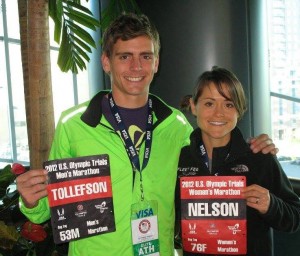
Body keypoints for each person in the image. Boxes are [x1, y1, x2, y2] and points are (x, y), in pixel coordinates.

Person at [16, 14, 278, 256]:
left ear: (156, 62)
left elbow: (215, 160)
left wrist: (255, 146)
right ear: (106, 62)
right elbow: (45, 211)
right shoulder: (74, 124)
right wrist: (30, 201)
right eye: (124, 56)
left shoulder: (176, 125)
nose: (136, 67)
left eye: (145, 56)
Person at [175, 66, 300, 256]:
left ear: (239, 111)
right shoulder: (179, 159)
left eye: (228, 105)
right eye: (209, 103)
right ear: (194, 106)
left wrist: (271, 205)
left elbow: (295, 217)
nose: (219, 113)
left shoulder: (259, 157)